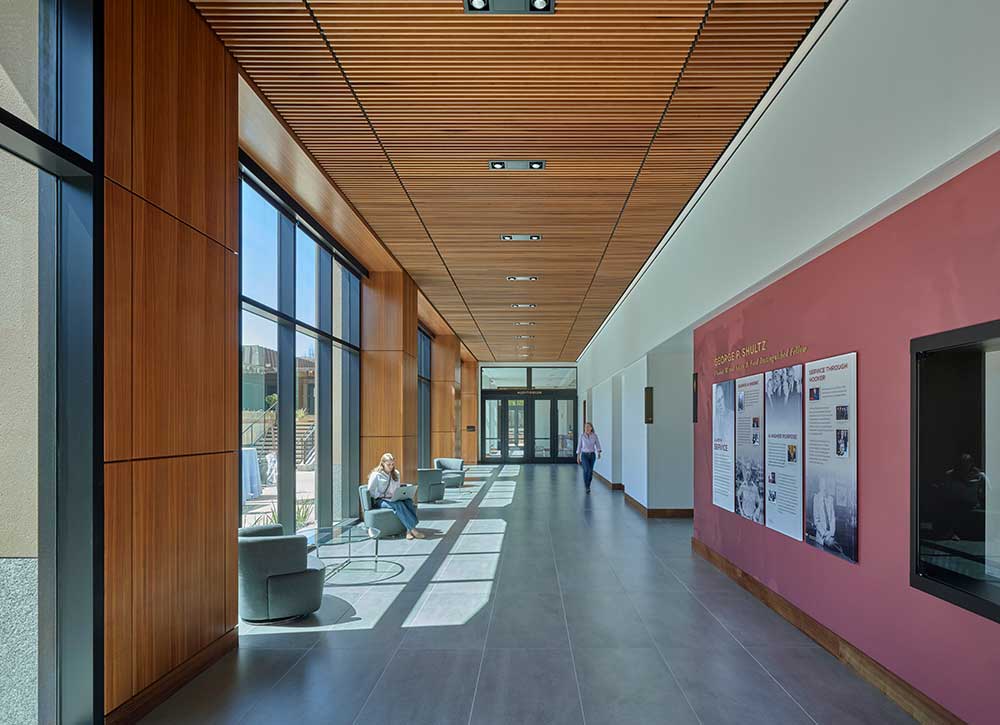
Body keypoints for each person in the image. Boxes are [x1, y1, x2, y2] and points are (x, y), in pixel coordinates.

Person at [367, 453, 423, 540]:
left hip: (393, 498)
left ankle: (408, 531)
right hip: (381, 500)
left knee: (408, 501)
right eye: (388, 464)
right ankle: (413, 529)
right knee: (398, 505)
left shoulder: (396, 473)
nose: (391, 466)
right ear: (382, 463)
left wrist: (399, 494)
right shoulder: (376, 475)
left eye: (392, 464)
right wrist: (382, 495)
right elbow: (370, 491)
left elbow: (397, 488)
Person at [576, 422, 602, 494]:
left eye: (588, 427)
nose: (586, 428)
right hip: (584, 455)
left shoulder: (594, 436)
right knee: (586, 469)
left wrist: (599, 452)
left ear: (591, 428)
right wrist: (578, 456)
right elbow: (579, 446)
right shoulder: (582, 436)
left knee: (590, 471)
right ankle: (587, 486)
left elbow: (597, 444)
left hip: (592, 455)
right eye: (585, 427)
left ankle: (588, 485)